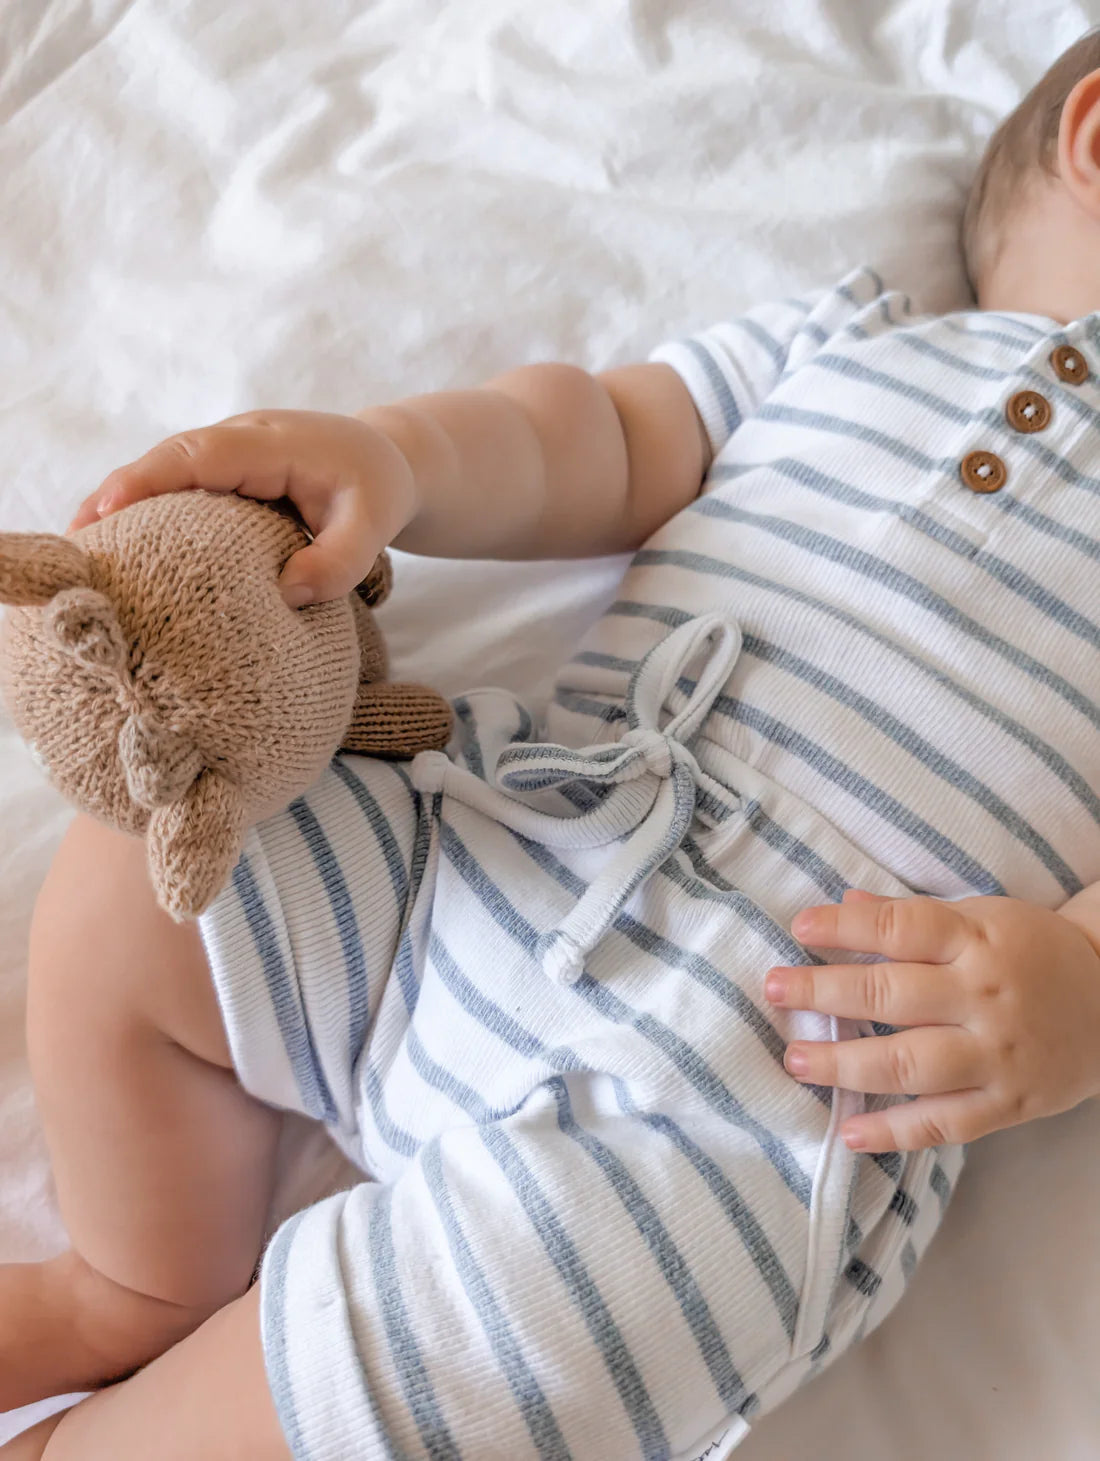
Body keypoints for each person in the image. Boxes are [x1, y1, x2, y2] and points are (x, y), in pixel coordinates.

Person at [4, 29, 1100, 1461]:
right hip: (502, 833)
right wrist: (398, 460)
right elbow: (597, 433)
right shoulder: (850, 338)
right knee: (162, 866)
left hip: (748, 1086)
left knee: (536, 1321)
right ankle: (137, 1274)